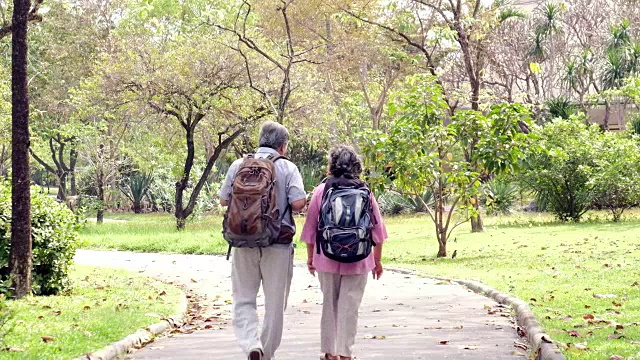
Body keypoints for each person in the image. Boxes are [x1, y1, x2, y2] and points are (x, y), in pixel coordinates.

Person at [219, 121, 307, 360]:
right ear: (282, 146)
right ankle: (265, 353)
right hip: (277, 244)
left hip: (242, 241)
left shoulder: (239, 164)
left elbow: (224, 200)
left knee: (244, 299)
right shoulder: (288, 167)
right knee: (275, 304)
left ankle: (250, 345)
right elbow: (298, 203)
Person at [301, 145, 387, 360]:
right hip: (359, 258)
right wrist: (377, 261)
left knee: (329, 304)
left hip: (326, 257)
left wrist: (311, 258)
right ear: (357, 165)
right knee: (350, 307)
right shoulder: (365, 191)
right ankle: (345, 353)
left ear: (332, 166)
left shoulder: (322, 190)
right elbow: (378, 230)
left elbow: (310, 228)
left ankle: (330, 353)